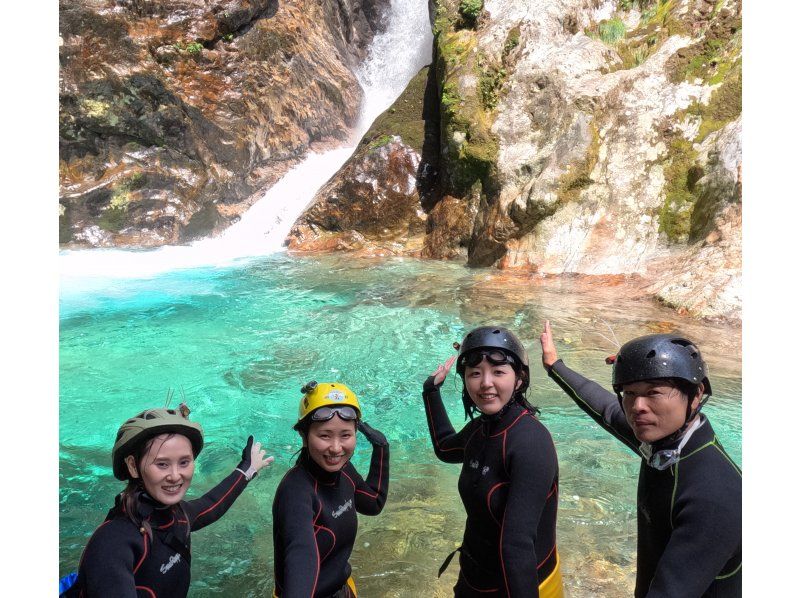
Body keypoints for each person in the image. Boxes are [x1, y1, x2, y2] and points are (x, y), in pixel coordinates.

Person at [540, 321, 741, 597]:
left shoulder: (714, 496)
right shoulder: (665, 445)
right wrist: (554, 366)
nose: (637, 407)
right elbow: (606, 410)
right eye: (630, 393)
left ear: (696, 394)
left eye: (653, 392)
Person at [66, 403, 274, 597]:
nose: (175, 476)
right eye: (162, 464)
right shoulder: (112, 544)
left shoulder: (176, 514)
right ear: (133, 466)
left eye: (184, 462)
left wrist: (247, 470)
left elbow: (211, 505)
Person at [424, 326, 563, 597]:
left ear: (519, 379)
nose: (485, 383)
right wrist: (431, 391)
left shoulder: (531, 442)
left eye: (498, 372)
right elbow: (444, 448)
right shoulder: (481, 429)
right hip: (474, 577)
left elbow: (517, 545)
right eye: (475, 373)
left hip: (527, 585)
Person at [272, 381, 389, 597]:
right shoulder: (295, 492)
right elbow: (301, 556)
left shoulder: (345, 471)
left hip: (343, 588)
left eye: (345, 435)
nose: (336, 448)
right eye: (325, 436)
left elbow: (373, 503)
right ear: (304, 436)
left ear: (356, 433)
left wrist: (381, 449)